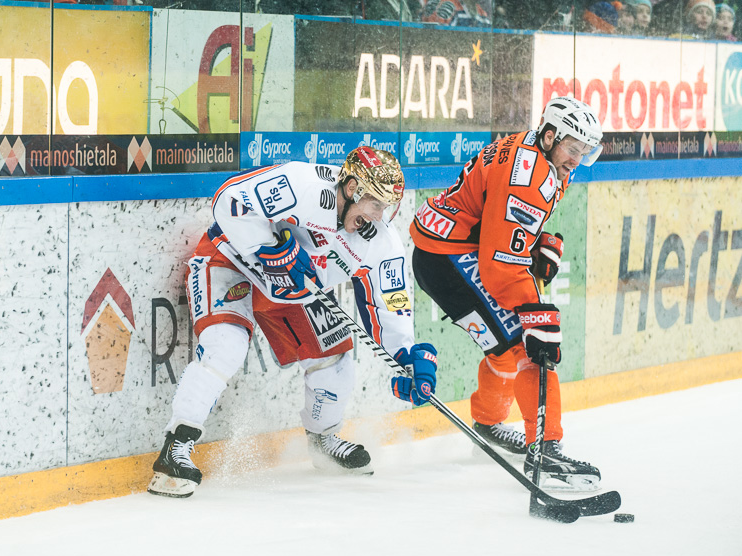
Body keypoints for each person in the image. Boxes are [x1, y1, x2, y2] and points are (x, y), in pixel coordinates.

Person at [148, 147, 438, 498]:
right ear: (351, 188)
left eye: (386, 206)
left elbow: (390, 304)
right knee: (225, 346)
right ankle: (175, 449)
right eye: (375, 203)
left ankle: (323, 441)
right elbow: (229, 200)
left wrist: (405, 356)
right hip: (230, 260)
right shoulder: (303, 183)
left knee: (335, 361)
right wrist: (268, 248)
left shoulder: (381, 243)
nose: (379, 216)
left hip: (294, 289)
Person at [409, 96, 604, 490]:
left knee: (505, 345)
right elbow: (500, 267)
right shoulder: (528, 176)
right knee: (528, 345)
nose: (577, 160)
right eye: (573, 149)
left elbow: (495, 217)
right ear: (550, 135)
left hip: (448, 248)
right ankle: (545, 448)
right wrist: (534, 309)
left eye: (585, 152)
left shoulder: (536, 150)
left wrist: (537, 242)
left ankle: (488, 423)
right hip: (449, 258)